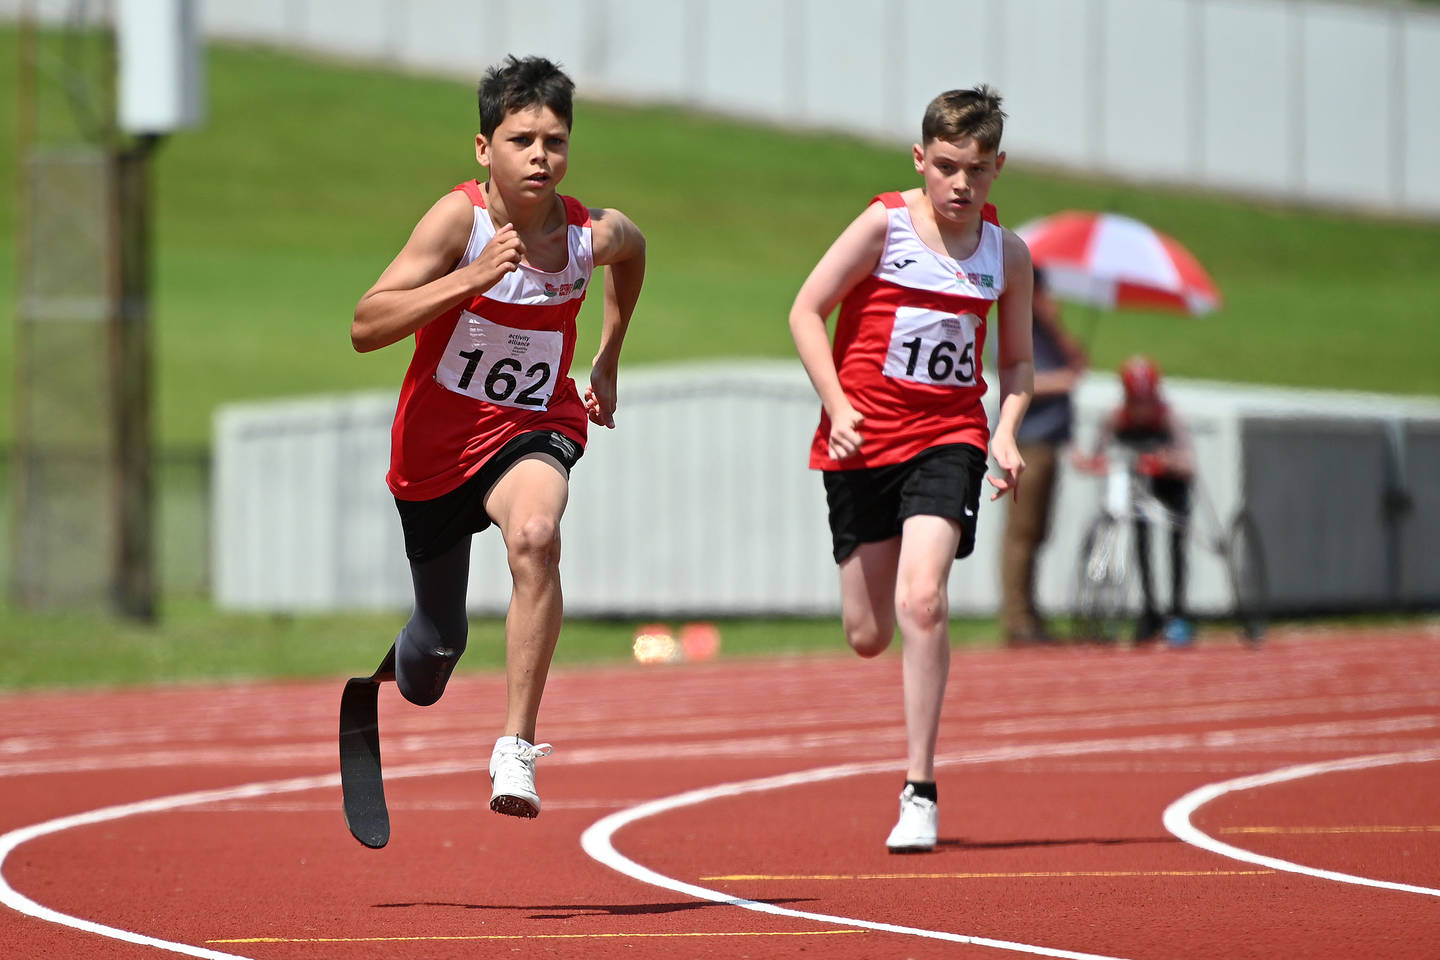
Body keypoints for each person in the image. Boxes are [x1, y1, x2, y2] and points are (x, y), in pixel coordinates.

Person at [350, 55, 646, 818]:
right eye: (521, 140)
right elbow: (366, 324)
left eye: (555, 140)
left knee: (538, 535)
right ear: (485, 149)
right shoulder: (461, 221)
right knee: (437, 651)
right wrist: (468, 278)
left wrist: (608, 353)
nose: (540, 156)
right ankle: (401, 664)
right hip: (436, 453)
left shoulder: (586, 235)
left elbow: (634, 246)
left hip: (533, 427)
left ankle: (515, 748)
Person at [788, 86, 1033, 852]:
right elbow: (805, 310)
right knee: (868, 632)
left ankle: (919, 788)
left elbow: (1018, 362)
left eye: (979, 171)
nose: (962, 185)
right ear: (921, 161)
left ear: (998, 169)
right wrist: (839, 404)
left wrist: (1008, 432)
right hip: (860, 442)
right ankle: (914, 768)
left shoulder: (1008, 253)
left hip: (948, 437)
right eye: (949, 167)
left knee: (922, 599)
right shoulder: (883, 226)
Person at [1076, 355, 1195, 647]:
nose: (1141, 407)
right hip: (1140, 488)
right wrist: (1090, 462)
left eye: (1145, 399)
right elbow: (1097, 454)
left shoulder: (1168, 417)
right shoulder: (1117, 417)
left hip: (1170, 486)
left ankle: (1177, 611)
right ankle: (1149, 610)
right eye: (1135, 399)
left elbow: (1189, 462)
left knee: (1176, 544)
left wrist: (1167, 462)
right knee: (1141, 543)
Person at [999, 266, 1087, 647]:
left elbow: (1077, 364)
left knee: (1038, 533)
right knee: (1022, 533)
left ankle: (1031, 612)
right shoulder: (1015, 326)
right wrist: (1060, 382)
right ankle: (1017, 618)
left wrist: (1058, 328)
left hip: (1050, 443)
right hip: (1026, 444)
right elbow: (1012, 377)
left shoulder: (1048, 332)